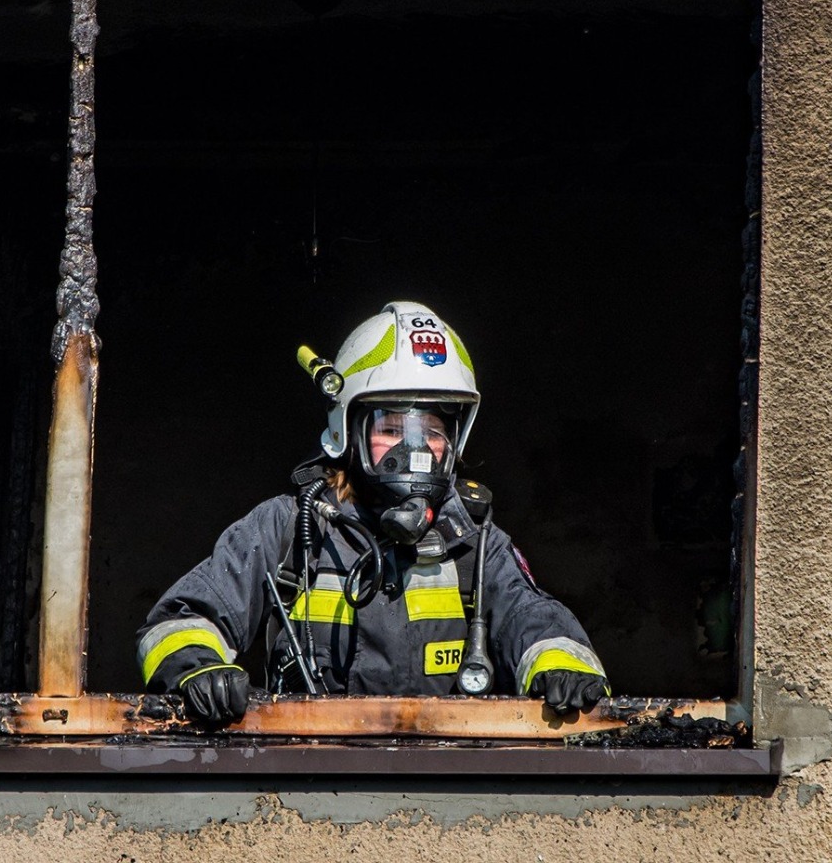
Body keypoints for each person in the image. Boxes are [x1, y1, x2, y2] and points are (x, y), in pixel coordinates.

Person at [134, 300, 609, 727]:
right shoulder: (288, 529)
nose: (414, 450)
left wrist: (561, 666)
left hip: (444, 785)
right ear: (347, 430)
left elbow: (533, 620)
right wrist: (198, 668)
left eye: (432, 431)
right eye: (391, 429)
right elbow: (180, 620)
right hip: (305, 779)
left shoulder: (475, 543)